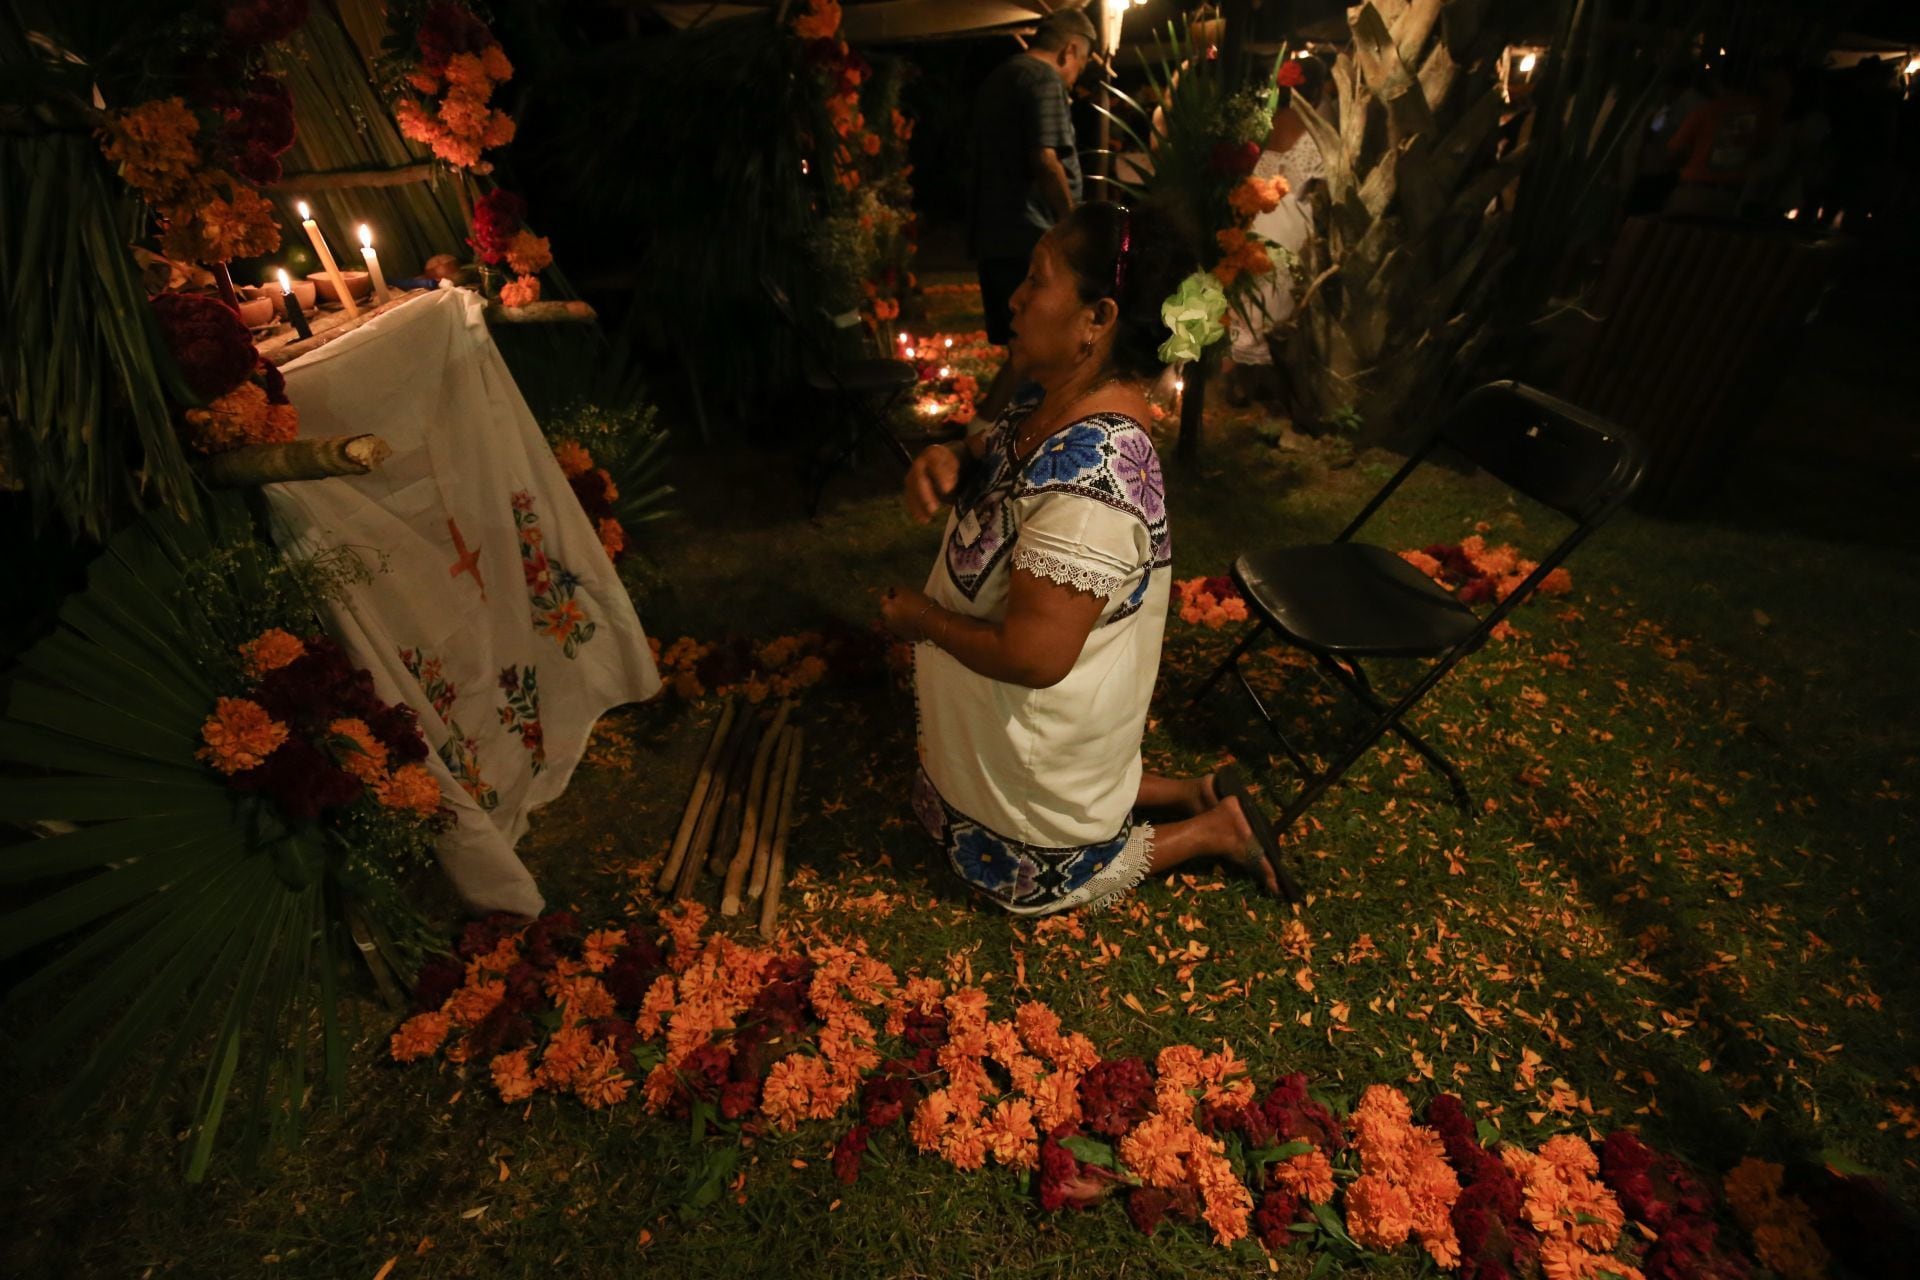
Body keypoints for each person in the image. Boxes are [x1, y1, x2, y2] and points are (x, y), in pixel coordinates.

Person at [880, 201, 1293, 916]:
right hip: (1029, 740)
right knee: (1079, 774)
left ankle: (1208, 828)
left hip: (1034, 762)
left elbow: (1036, 656)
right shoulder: (1052, 405)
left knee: (1047, 879)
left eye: (1037, 281)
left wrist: (921, 618)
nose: (1015, 296)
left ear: (1097, 319)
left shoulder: (1093, 487)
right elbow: (995, 457)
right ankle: (1186, 789)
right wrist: (948, 454)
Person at [968, 7, 1099, 426]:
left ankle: (1009, 432)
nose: (1076, 77)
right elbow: (1045, 159)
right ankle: (982, 435)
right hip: (1031, 233)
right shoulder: (1044, 80)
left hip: (995, 231)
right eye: (1081, 63)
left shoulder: (1001, 76)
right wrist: (1072, 226)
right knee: (1037, 345)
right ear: (1069, 50)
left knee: (1021, 342)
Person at [1227, 55, 1330, 395]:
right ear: (1321, 89)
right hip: (1292, 226)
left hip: (1259, 222)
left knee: (1250, 300)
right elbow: (1321, 191)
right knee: (1277, 303)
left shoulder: (1272, 121)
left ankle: (1239, 384)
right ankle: (1267, 389)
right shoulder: (1320, 128)